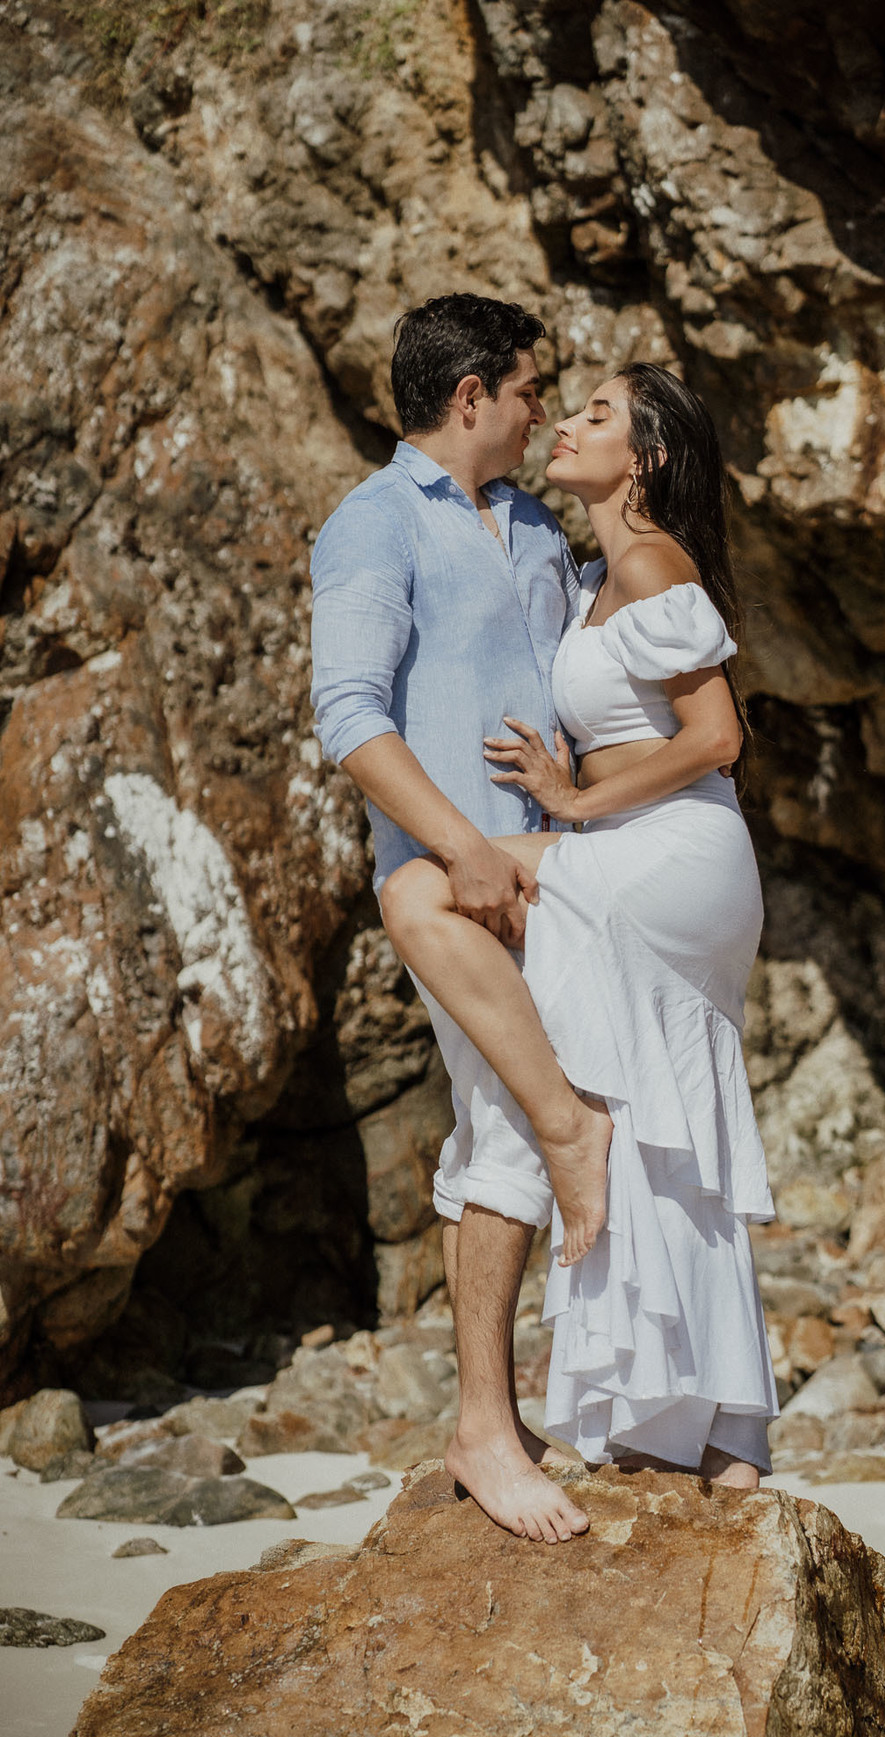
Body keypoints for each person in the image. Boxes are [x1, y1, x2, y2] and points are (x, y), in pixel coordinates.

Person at [383, 361, 778, 1491]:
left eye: (598, 415)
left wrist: (574, 803)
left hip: (676, 852)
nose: (568, 423)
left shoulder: (652, 560)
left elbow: (716, 737)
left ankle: (568, 1151)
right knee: (657, 1113)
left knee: (419, 891)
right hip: (646, 853)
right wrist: (573, 787)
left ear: (644, 457)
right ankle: (711, 1436)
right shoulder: (603, 568)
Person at [310, 292, 600, 1545]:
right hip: (458, 880)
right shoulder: (371, 526)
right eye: (533, 389)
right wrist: (462, 846)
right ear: (473, 393)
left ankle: (544, 1412)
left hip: (567, 869)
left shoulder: (535, 524)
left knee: (560, 1114)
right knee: (512, 1126)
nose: (543, 410)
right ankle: (485, 1427)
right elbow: (351, 718)